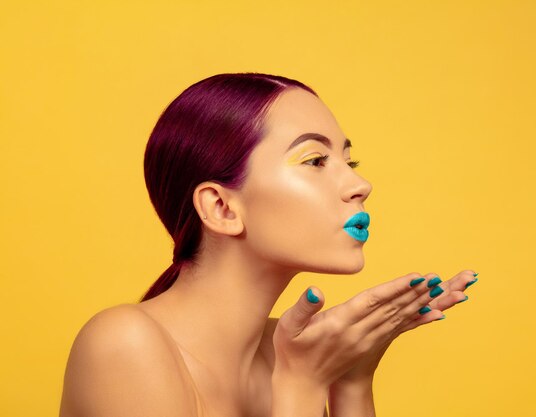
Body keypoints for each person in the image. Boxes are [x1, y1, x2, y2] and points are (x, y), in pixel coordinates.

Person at [59, 73, 478, 417]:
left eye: (350, 162)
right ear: (221, 207)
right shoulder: (124, 345)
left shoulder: (294, 350)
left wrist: (351, 382)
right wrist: (302, 387)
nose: (359, 185)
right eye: (315, 161)